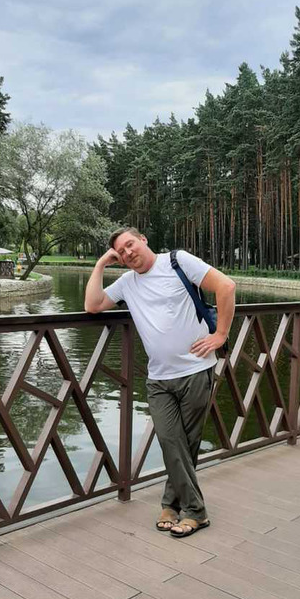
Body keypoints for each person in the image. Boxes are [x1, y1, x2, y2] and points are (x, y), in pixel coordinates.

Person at [85, 227, 236, 537]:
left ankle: (175, 506)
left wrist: (220, 334)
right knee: (171, 441)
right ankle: (193, 509)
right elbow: (93, 305)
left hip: (195, 371)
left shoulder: (178, 261)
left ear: (143, 240)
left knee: (184, 445)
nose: (128, 253)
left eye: (130, 244)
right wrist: (100, 264)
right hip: (158, 378)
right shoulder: (127, 283)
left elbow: (226, 286)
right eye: (121, 252)